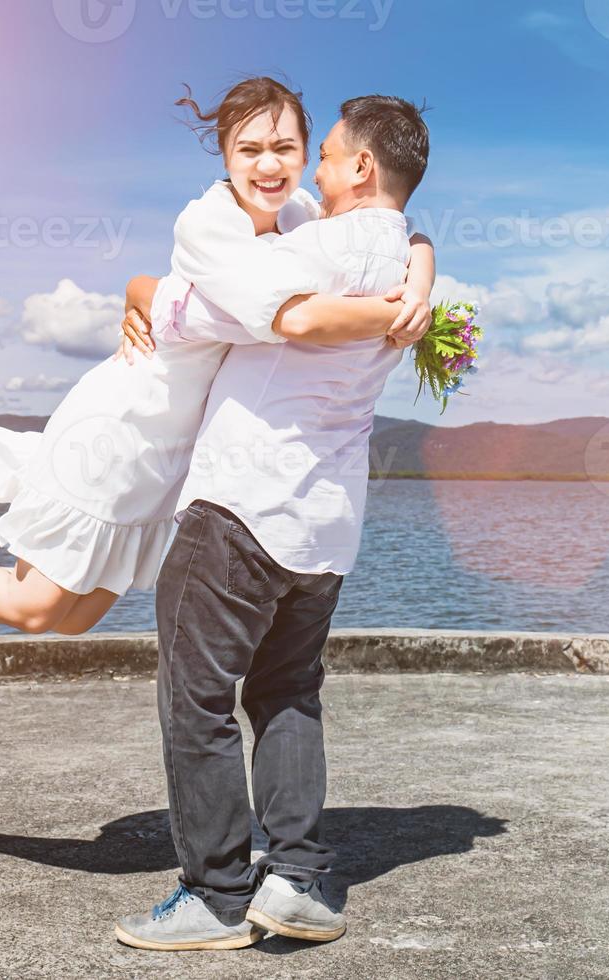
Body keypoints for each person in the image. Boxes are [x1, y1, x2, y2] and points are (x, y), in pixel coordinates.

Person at [0, 77, 433, 668]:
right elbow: (288, 319)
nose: (268, 165)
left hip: (170, 458)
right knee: (36, 607)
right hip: (127, 424)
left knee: (76, 618)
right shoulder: (209, 224)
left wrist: (422, 271)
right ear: (225, 155)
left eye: (287, 150)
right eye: (248, 150)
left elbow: (393, 227)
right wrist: (396, 312)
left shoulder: (301, 213)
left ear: (307, 155)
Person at [112, 94, 432, 952]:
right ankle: (294, 879)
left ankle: (215, 897)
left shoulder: (307, 248)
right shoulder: (403, 255)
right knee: (288, 692)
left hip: (240, 508)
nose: (312, 171)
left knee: (197, 702)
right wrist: (422, 277)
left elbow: (239, 307)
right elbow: (412, 239)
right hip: (327, 524)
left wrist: (142, 291)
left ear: (361, 168)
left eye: (321, 154)